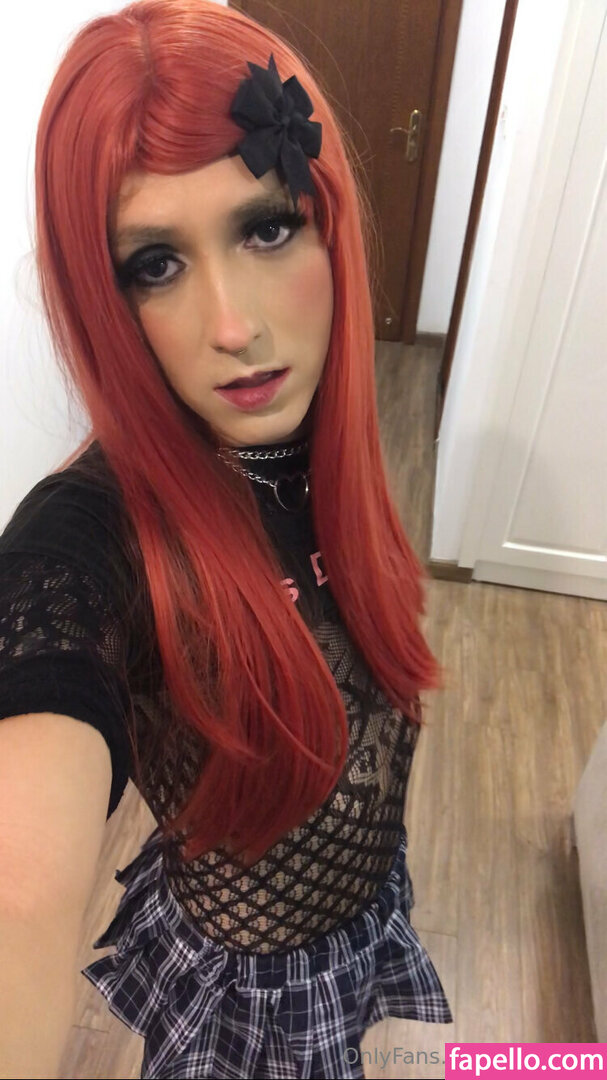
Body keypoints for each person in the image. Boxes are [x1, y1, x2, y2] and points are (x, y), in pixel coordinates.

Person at [0, 1, 453, 1077]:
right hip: (248, 998)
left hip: (360, 912)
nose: (234, 327)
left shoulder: (318, 442)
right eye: (154, 264)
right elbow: (19, 887)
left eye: (266, 228)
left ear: (326, 223)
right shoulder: (91, 538)